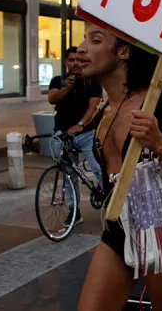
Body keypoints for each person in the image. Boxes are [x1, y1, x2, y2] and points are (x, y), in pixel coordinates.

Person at [76, 25, 162, 311]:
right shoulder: (105, 110)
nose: (81, 48)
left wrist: (159, 143)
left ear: (124, 51)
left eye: (95, 40)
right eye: (84, 38)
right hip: (118, 227)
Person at [48, 46, 103, 225]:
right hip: (63, 134)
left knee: (98, 168)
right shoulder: (59, 80)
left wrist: (80, 125)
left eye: (79, 60)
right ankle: (74, 210)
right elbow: (52, 98)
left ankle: (110, 201)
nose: (75, 64)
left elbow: (93, 107)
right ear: (66, 62)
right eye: (71, 60)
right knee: (68, 174)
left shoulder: (92, 81)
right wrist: (67, 88)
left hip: (86, 133)